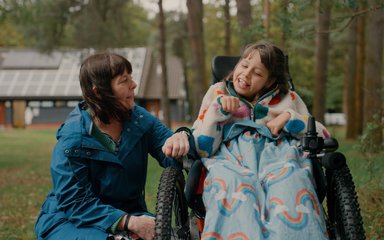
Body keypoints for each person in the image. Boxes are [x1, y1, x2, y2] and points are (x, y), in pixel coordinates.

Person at [34, 52, 190, 240]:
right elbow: (74, 201)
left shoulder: (139, 119)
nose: (134, 84)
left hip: (131, 213)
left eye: (131, 78)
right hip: (72, 221)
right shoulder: (73, 138)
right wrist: (128, 221)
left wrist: (181, 138)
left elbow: (171, 153)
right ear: (98, 92)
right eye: (124, 81)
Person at [192, 40, 330, 239]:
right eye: (244, 65)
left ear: (270, 81)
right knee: (234, 188)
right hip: (229, 158)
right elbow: (202, 147)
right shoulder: (217, 92)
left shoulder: (289, 98)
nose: (246, 75)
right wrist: (218, 111)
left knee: (290, 187)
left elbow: (323, 136)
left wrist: (290, 118)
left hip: (280, 156)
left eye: (257, 73)